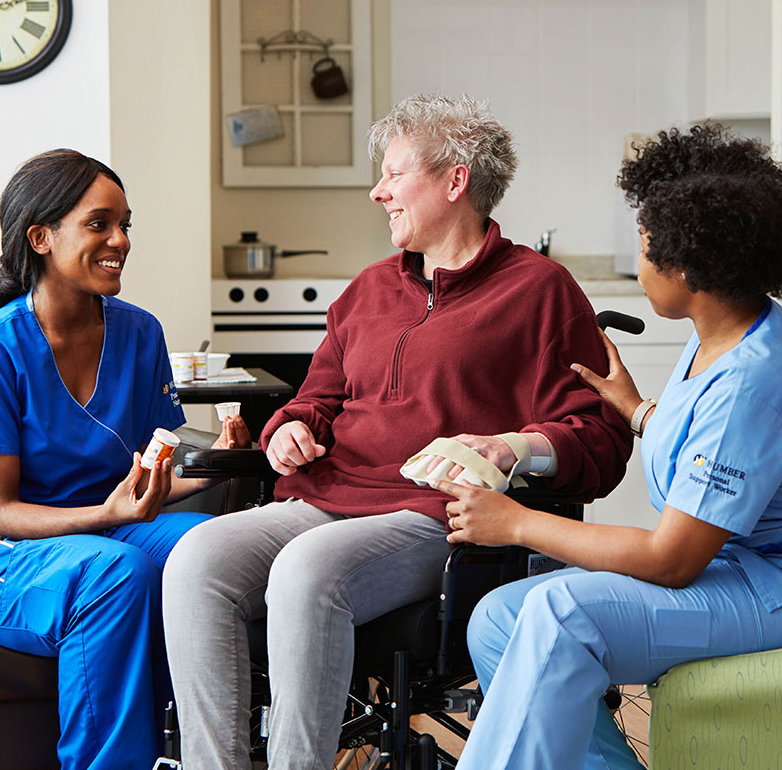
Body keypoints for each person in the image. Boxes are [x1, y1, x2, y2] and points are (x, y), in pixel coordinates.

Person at [162, 93, 632, 770]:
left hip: (432, 515)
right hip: (324, 499)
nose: (378, 192)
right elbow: (317, 398)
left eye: (392, 173)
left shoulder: (539, 291)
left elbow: (600, 439)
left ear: (454, 180)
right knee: (195, 560)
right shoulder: (367, 291)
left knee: (304, 570)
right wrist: (292, 427)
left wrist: (512, 447)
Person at [434, 124, 782, 770]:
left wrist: (518, 523)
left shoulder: (754, 378)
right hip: (734, 564)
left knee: (559, 610)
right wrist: (636, 409)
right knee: (497, 621)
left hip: (777, 587)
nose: (638, 264)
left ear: (688, 265)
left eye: (644, 247)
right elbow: (706, 455)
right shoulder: (719, 328)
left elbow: (671, 562)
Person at [0, 150, 247, 770]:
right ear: (41, 237)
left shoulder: (140, 333)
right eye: (99, 224)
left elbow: (138, 488)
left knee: (211, 547)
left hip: (105, 526)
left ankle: (204, 754)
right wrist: (105, 513)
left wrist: (218, 462)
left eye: (126, 224)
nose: (120, 240)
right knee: (113, 572)